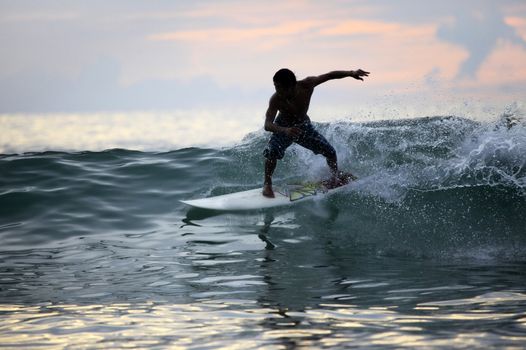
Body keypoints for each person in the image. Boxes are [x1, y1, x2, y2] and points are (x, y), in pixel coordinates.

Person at [262, 68, 370, 198]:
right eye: (275, 86)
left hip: (303, 126)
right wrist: (285, 130)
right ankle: (267, 183)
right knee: (272, 151)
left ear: (291, 86)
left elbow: (329, 75)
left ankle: (335, 177)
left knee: (330, 152)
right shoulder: (276, 99)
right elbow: (267, 125)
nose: (276, 90)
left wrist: (351, 73)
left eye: (279, 87)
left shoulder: (307, 85)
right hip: (283, 127)